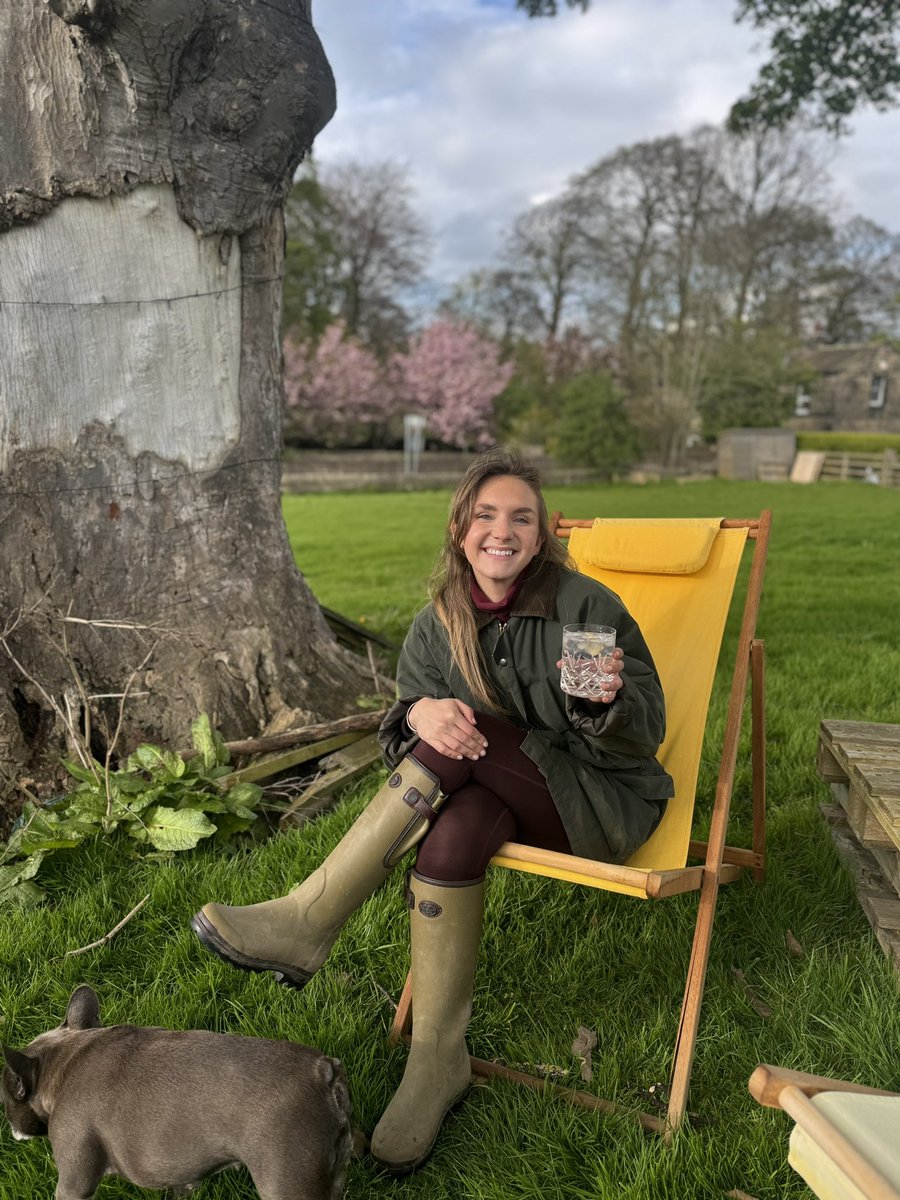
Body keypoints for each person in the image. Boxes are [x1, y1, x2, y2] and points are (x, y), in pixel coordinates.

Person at [192, 446, 674, 1174]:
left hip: (598, 805)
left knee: (458, 744)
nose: (501, 531)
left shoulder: (585, 606)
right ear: (460, 530)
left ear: (542, 536)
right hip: (496, 794)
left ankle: (309, 919)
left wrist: (604, 700)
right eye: (485, 516)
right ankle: (437, 1061)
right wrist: (416, 712)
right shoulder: (435, 624)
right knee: (452, 835)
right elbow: (406, 728)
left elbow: (646, 732)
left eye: (521, 517)